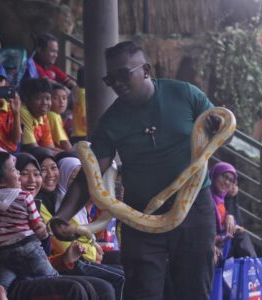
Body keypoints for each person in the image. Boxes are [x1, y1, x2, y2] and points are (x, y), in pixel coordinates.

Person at [51, 41, 223, 300]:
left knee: (193, 289)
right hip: (140, 214)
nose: (117, 83)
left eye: (123, 74)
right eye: (111, 78)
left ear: (145, 69)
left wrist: (217, 126)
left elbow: (222, 130)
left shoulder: (185, 95)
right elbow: (92, 174)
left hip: (193, 209)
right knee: (143, 291)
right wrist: (62, 216)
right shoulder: (111, 121)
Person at [30, 148, 125, 300]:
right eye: (42, 170)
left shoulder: (66, 202)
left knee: (127, 262)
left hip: (73, 259)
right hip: (65, 261)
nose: (50, 175)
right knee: (116, 281)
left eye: (53, 168)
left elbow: (89, 235)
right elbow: (62, 243)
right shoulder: (56, 206)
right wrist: (92, 250)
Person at [0, 151, 58, 290]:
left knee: (1, 284)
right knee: (58, 281)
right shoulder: (25, 198)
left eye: (37, 174)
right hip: (26, 252)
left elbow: (47, 251)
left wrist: (44, 235)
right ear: (0, 180)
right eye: (22, 172)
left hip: (5, 254)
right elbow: (35, 224)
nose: (32, 180)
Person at [210, 162, 257, 259]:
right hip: (208, 243)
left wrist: (232, 199)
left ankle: (254, 268)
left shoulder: (223, 199)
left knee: (240, 232)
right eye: (224, 176)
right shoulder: (206, 197)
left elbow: (239, 222)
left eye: (231, 180)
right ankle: (254, 268)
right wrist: (211, 246)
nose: (227, 182)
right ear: (215, 175)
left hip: (222, 242)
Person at [20, 78, 61, 153]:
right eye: (38, 98)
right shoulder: (23, 112)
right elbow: (33, 148)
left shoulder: (43, 115)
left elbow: (49, 146)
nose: (45, 103)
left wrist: (67, 154)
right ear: (27, 99)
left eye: (48, 98)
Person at [48, 84, 73, 151]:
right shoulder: (52, 115)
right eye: (55, 98)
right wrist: (74, 154)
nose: (62, 102)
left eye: (64, 98)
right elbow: (64, 142)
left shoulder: (57, 115)